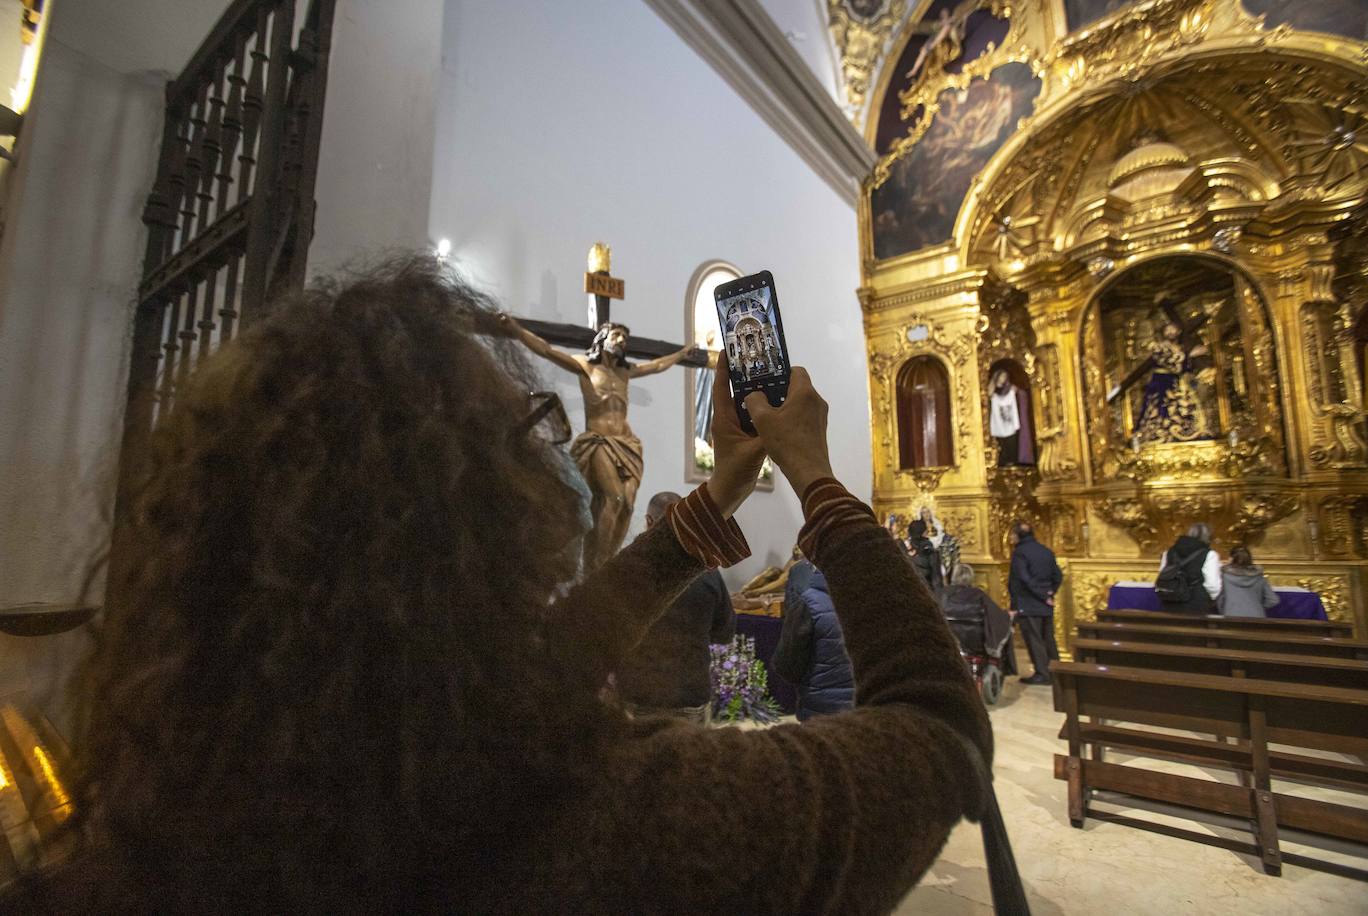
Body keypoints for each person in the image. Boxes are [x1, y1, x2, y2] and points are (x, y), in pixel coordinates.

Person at [9, 256, 992, 912]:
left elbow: (535, 673)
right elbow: (942, 729)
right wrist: (817, 477)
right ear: (486, 527)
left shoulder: (177, 820)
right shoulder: (621, 821)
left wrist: (713, 502)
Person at [501, 314, 695, 572]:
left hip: (627, 445)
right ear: (602, 339)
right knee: (612, 497)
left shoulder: (625, 372)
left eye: (625, 337)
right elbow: (546, 350)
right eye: (616, 335)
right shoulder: (585, 366)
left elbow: (657, 366)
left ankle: (607, 560)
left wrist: (681, 354)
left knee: (626, 503)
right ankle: (597, 567)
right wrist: (515, 329)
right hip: (599, 442)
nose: (622, 340)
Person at [615, 492, 735, 724]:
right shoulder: (707, 571)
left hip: (637, 694)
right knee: (693, 760)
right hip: (689, 694)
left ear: (649, 522)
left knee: (638, 760)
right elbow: (724, 633)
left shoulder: (626, 567)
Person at [772, 564, 854, 721]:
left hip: (820, 711)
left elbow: (786, 664)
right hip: (866, 709)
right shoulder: (876, 601)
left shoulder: (808, 603)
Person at [1007, 521, 1063, 685]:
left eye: (1012, 534)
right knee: (1048, 638)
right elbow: (1058, 576)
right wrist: (1050, 593)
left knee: (1034, 639)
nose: (1011, 538)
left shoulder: (1020, 553)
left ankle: (1042, 673)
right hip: (1046, 603)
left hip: (1029, 601)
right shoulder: (1046, 551)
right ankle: (1056, 671)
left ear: (1018, 535)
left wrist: (1041, 595)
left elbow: (1024, 578)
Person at [942, 564, 1015, 677]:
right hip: (974, 642)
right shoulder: (978, 594)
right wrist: (1007, 615)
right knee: (1006, 626)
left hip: (948, 640)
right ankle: (1006, 669)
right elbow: (996, 616)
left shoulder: (943, 593)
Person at [1157, 522, 1221, 614]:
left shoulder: (1168, 552)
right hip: (1196, 603)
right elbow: (1212, 585)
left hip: (1170, 599)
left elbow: (1163, 573)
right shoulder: (1210, 554)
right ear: (1208, 537)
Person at [1216, 545, 1278, 618]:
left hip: (1232, 616)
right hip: (1257, 617)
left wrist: (1225, 610)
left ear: (1232, 559)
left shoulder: (1225, 577)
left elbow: (1220, 599)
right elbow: (1273, 600)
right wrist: (1258, 606)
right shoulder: (1259, 577)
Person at [907, 519, 944, 595]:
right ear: (924, 533)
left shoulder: (903, 550)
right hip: (926, 595)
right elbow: (936, 580)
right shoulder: (930, 552)